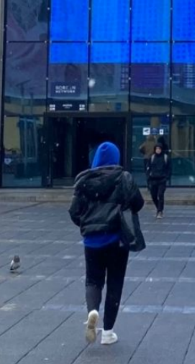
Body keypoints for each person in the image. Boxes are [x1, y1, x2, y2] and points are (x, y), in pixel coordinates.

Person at [69, 141, 144, 346]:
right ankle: (108, 332)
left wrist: (87, 225)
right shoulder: (124, 178)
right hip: (117, 239)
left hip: (92, 241)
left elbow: (74, 212)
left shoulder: (84, 181)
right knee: (115, 283)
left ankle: (92, 310)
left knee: (93, 280)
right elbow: (139, 203)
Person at [147, 139, 170, 218]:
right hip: (153, 179)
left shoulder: (165, 157)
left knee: (160, 194)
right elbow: (148, 167)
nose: (158, 150)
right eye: (156, 149)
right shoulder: (152, 157)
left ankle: (160, 211)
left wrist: (167, 177)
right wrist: (148, 176)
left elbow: (169, 168)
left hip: (162, 179)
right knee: (153, 195)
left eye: (159, 149)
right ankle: (158, 208)